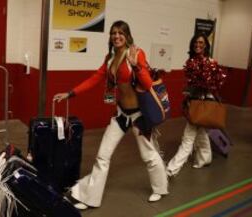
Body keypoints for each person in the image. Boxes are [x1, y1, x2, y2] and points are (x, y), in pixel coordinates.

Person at [53, 20, 168, 210]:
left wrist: (137, 67)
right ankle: (90, 198)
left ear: (127, 35)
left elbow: (147, 84)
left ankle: (161, 188)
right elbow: (95, 79)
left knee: (148, 154)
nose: (116, 36)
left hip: (139, 116)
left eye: (121, 33)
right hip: (122, 115)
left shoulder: (136, 53)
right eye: (113, 33)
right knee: (103, 155)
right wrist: (71, 93)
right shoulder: (110, 57)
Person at [166, 33, 226, 177]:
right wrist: (188, 92)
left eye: (201, 43)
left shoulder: (211, 62)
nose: (198, 45)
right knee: (202, 133)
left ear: (206, 45)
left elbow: (216, 83)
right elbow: (190, 84)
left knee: (188, 137)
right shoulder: (191, 61)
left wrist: (204, 88)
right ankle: (205, 159)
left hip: (203, 103)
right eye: (195, 43)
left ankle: (171, 169)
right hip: (194, 102)